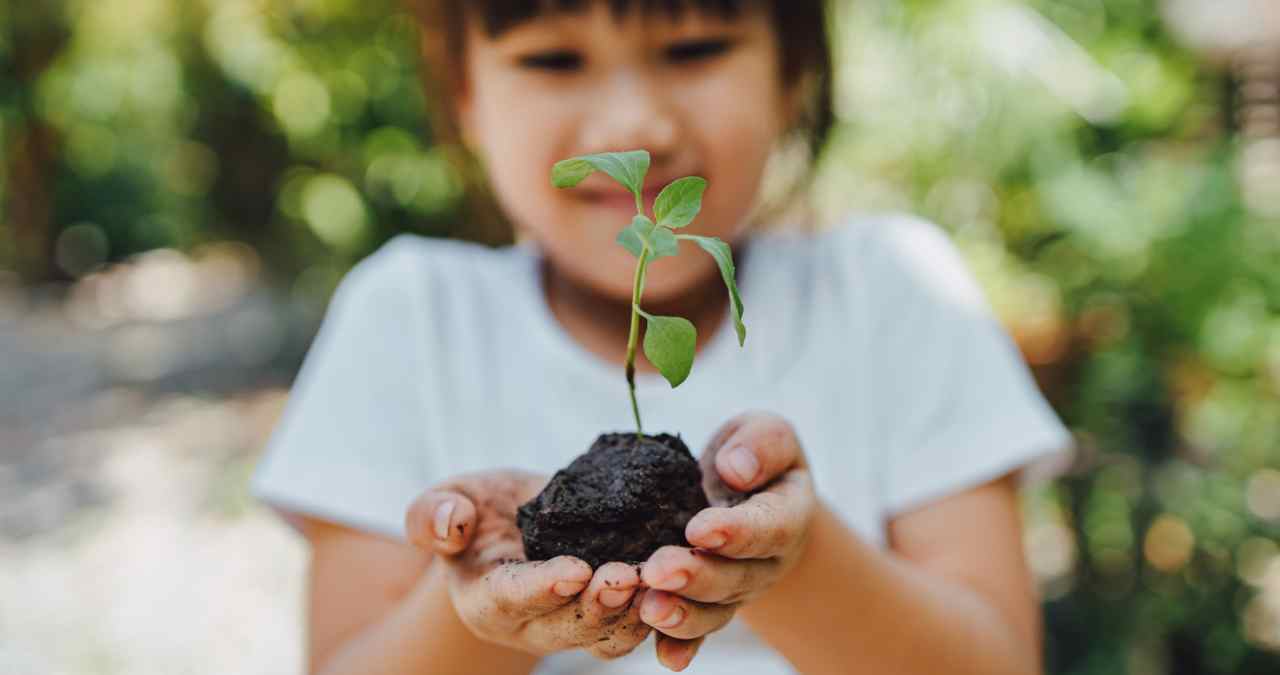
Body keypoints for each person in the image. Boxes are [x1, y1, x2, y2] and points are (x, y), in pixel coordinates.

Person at [251, 1, 1074, 673]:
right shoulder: (409, 315)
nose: (633, 126)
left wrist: (786, 557)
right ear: (464, 93)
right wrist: (489, 611)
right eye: (553, 60)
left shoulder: (893, 290)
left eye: (695, 47)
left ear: (792, 69)